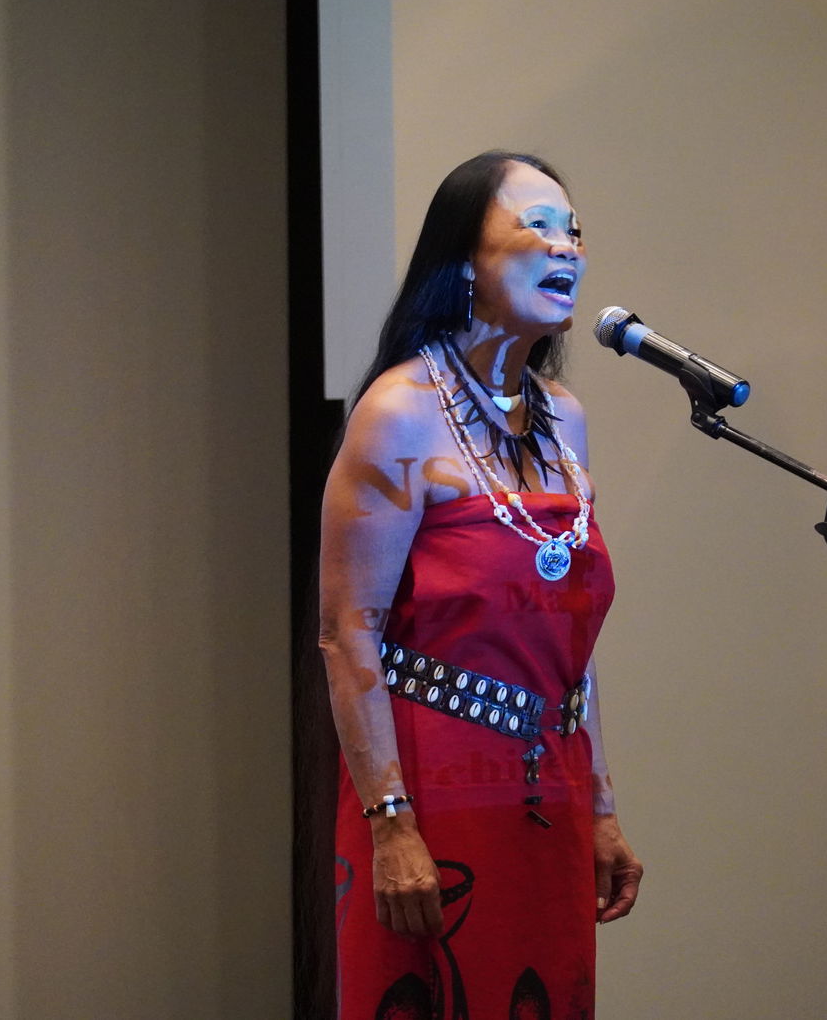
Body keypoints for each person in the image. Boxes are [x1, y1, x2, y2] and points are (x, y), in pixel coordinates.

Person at [321, 151, 642, 1019]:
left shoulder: (563, 417)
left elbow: (570, 641)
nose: (565, 246)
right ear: (465, 260)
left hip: (551, 794)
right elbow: (346, 634)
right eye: (536, 225)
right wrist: (391, 823)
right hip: (434, 796)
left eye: (573, 229)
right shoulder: (399, 411)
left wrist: (603, 807)